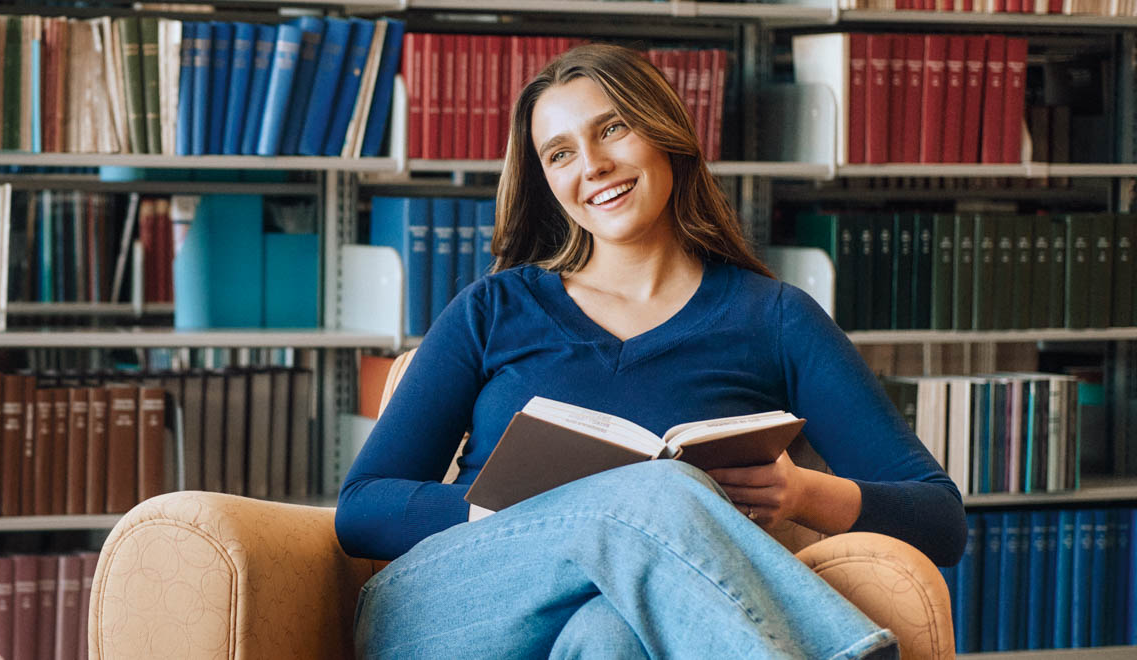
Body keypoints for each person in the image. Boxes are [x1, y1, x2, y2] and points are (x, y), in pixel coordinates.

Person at [335, 43, 966, 659]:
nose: (592, 165)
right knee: (654, 489)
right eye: (560, 153)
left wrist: (802, 494)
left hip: (631, 623)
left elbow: (940, 519)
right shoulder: (493, 308)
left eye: (612, 129)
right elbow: (362, 507)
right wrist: (562, 512)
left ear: (667, 133)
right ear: (546, 181)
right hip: (452, 611)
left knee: (608, 636)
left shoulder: (774, 318)